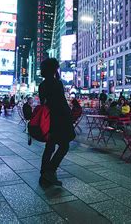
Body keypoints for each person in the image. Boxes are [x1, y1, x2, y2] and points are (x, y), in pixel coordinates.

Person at [39, 58, 75, 186]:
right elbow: (61, 103)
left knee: (49, 147)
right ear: (54, 69)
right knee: (64, 146)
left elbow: (44, 103)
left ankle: (44, 173)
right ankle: (50, 171)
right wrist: (69, 116)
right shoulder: (56, 83)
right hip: (59, 120)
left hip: (48, 121)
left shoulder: (42, 85)